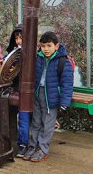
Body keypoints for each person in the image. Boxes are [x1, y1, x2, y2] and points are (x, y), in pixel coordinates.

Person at [23, 31, 73, 163]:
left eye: (49, 46)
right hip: (38, 95)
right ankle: (32, 146)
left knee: (48, 124)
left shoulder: (63, 61)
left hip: (52, 98)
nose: (45, 49)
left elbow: (67, 83)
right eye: (43, 46)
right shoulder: (38, 58)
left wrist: (64, 102)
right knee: (36, 122)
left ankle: (42, 149)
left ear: (56, 46)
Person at [5, 24, 29, 158]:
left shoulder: (33, 54)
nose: (19, 41)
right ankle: (13, 140)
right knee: (11, 117)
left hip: (25, 92)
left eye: (21, 38)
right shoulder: (13, 53)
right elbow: (5, 64)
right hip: (13, 89)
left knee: (24, 118)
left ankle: (23, 144)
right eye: (16, 38)